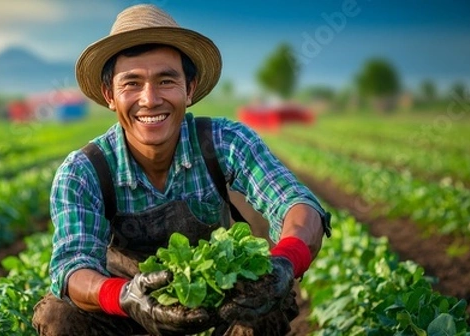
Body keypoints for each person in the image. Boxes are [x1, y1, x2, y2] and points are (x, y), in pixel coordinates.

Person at [31, 4, 330, 336]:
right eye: (132, 83)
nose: (150, 99)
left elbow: (296, 204)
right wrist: (127, 295)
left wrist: (286, 262)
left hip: (216, 299)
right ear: (110, 95)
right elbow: (73, 268)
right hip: (124, 311)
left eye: (166, 80)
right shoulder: (83, 171)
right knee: (60, 316)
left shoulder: (225, 142)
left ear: (189, 89)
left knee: (265, 300)